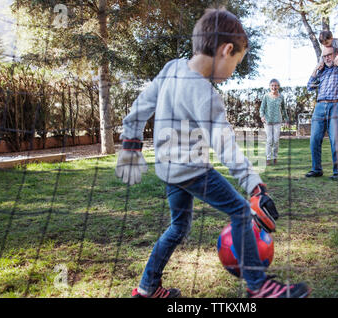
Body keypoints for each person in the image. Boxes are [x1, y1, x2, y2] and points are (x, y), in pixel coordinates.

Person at [115, 8, 310, 298]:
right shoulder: (205, 94)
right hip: (191, 170)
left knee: (178, 227)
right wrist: (253, 184)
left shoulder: (172, 68)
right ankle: (259, 287)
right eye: (236, 63)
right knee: (242, 211)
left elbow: (143, 104)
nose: (233, 71)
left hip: (167, 169)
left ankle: (147, 288)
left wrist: (130, 141)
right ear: (226, 50)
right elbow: (225, 144)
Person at [305, 45, 338, 180]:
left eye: (329, 55)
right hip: (320, 106)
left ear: (336, 54)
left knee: (336, 141)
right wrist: (316, 69)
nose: (327, 58)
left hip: (337, 105)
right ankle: (316, 169)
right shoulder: (322, 70)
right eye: (324, 56)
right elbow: (309, 87)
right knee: (314, 139)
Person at [260, 79, 288, 166]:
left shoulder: (281, 97)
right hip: (268, 121)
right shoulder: (266, 96)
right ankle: (268, 158)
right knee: (269, 140)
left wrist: (286, 119)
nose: (274, 87)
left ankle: (275, 157)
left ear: (278, 87)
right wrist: (262, 116)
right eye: (272, 85)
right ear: (269, 86)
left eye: (275, 85)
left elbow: (283, 109)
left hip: (277, 121)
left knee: (276, 140)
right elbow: (262, 108)